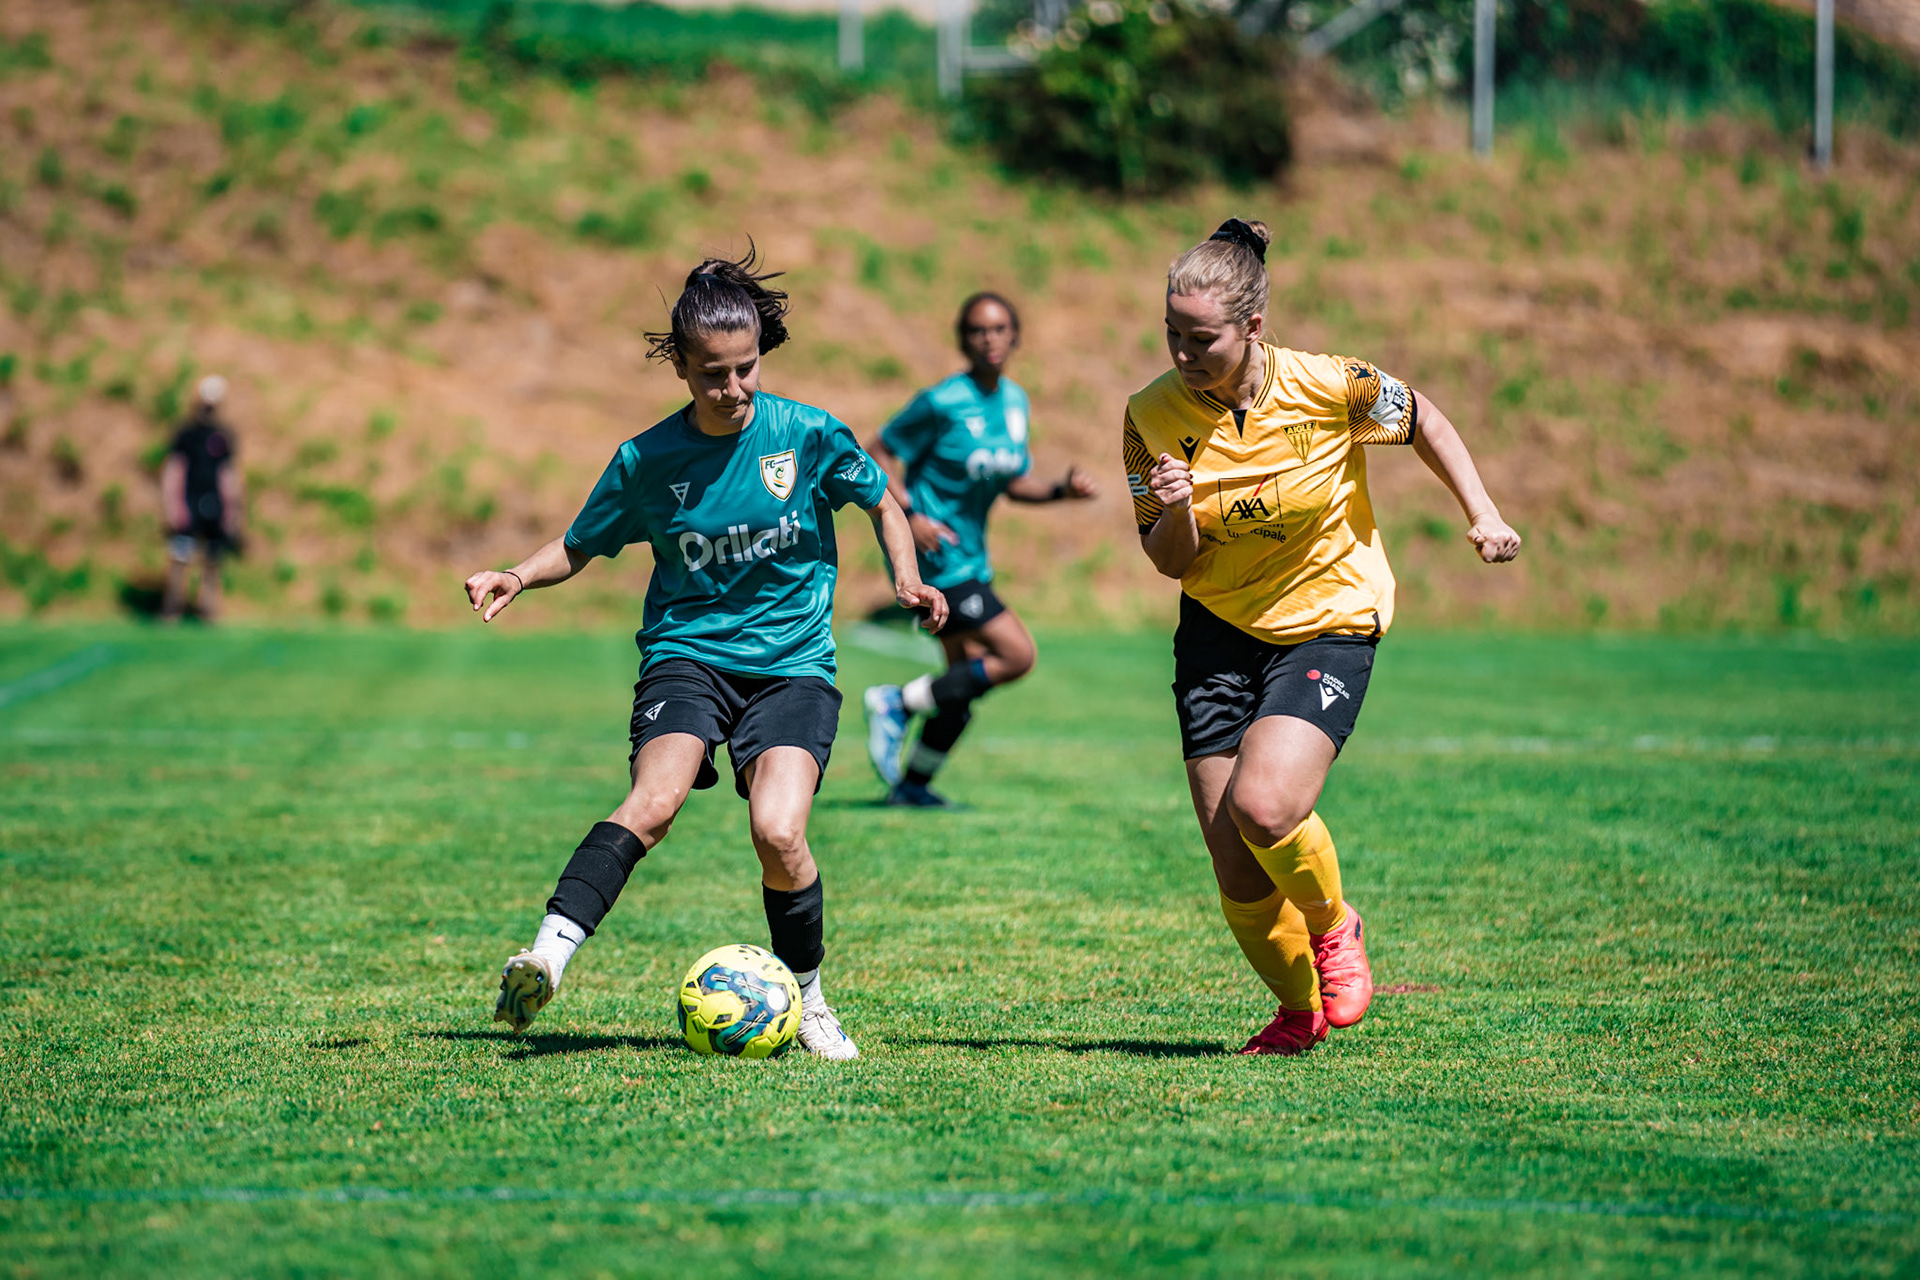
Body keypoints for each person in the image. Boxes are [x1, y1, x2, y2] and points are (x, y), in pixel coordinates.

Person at [463, 247, 948, 1060]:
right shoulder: (648, 460)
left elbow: (881, 502)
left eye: (745, 369)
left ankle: (810, 1001)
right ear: (681, 368)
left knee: (779, 833)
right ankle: (545, 958)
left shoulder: (807, 433)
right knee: (653, 802)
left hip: (792, 664)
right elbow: (579, 544)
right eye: (713, 374)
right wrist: (516, 574)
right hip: (688, 656)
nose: (732, 389)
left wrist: (907, 578)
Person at [1124, 217, 1521, 1055]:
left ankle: (1335, 925)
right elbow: (1168, 561)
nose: (1183, 354)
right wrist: (1177, 507)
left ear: (1253, 325)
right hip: (1217, 630)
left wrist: (1482, 513)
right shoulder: (1148, 416)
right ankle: (1298, 1011)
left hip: (1327, 621)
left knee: (1265, 806)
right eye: (1172, 334)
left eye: (1202, 339)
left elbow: (1425, 420)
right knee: (1234, 861)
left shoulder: (1331, 384)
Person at [860, 292, 1097, 807]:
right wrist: (911, 515)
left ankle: (912, 787)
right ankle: (895, 702)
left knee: (961, 686)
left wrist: (1061, 491)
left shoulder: (1014, 402)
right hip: (936, 557)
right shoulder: (942, 401)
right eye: (977, 330)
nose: (989, 338)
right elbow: (876, 451)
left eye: (998, 328)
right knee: (1017, 654)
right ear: (963, 340)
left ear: (1014, 336)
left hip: (970, 558)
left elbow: (1013, 482)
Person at [161, 375, 244, 622]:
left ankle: (208, 609)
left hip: (214, 504)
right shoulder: (186, 434)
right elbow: (174, 471)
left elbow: (228, 475)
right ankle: (172, 608)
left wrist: (233, 510)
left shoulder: (223, 436)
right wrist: (173, 505)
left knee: (212, 560)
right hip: (188, 502)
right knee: (180, 558)